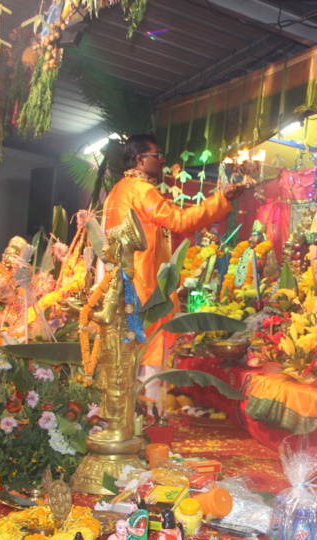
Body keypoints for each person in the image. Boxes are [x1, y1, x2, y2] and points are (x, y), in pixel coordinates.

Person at [101, 134, 243, 417]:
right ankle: (149, 423)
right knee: (150, 359)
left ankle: (124, 420)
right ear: (140, 159)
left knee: (127, 359)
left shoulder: (118, 190)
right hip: (144, 288)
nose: (163, 160)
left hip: (121, 285)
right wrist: (220, 199)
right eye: (157, 155)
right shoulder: (142, 190)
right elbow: (179, 221)